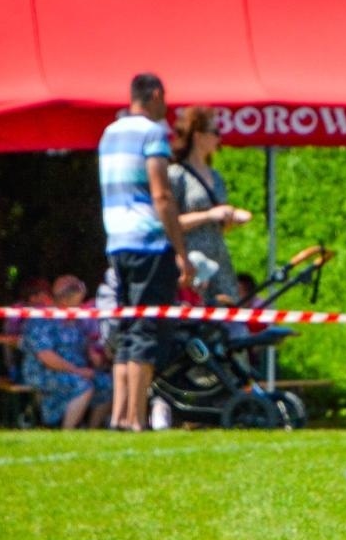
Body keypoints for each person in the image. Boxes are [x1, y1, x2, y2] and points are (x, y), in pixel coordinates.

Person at [100, 73, 191, 431]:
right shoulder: (153, 133)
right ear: (154, 95)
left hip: (117, 240)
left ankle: (119, 415)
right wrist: (180, 251)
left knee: (126, 326)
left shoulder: (110, 133)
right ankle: (137, 418)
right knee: (146, 329)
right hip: (148, 242)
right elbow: (161, 194)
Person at [169, 106, 252, 305]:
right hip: (191, 261)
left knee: (227, 315)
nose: (219, 138)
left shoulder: (216, 176)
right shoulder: (176, 175)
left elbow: (219, 223)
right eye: (215, 132)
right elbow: (169, 222)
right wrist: (209, 215)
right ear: (198, 136)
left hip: (218, 259)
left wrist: (230, 217)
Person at [20, 275, 113, 430]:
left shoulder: (77, 320)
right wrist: (78, 371)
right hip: (43, 371)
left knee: (109, 384)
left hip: (76, 370)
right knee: (83, 386)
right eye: (77, 302)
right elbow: (46, 357)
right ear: (64, 300)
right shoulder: (41, 319)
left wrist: (94, 355)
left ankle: (93, 431)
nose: (81, 306)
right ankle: (67, 432)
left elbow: (85, 345)